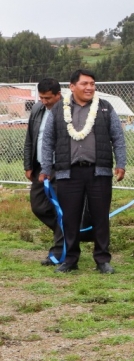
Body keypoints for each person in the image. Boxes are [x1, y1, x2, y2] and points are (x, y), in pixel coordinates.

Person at [39, 69, 126, 274]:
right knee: (69, 217)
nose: (89, 88)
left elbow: (118, 138)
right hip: (68, 173)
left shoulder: (105, 108)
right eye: (84, 84)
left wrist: (121, 164)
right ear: (72, 86)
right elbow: (48, 141)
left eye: (92, 84)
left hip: (99, 172)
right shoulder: (59, 109)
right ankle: (70, 259)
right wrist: (45, 169)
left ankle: (102, 259)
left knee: (100, 217)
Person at [24, 78, 65, 265]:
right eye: (41, 97)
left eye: (48, 98)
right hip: (41, 168)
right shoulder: (37, 110)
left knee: (61, 209)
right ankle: (67, 232)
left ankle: (59, 252)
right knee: (38, 206)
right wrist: (28, 165)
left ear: (58, 95)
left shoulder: (68, 111)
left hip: (62, 167)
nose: (44, 101)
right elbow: (30, 139)